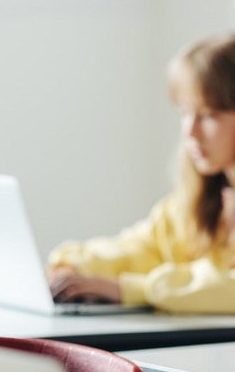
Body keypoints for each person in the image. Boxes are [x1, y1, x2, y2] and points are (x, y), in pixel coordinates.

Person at [48, 32, 235, 313]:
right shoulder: (200, 200)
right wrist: (72, 265)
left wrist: (129, 289)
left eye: (208, 115)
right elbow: (142, 247)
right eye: (185, 113)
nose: (190, 132)